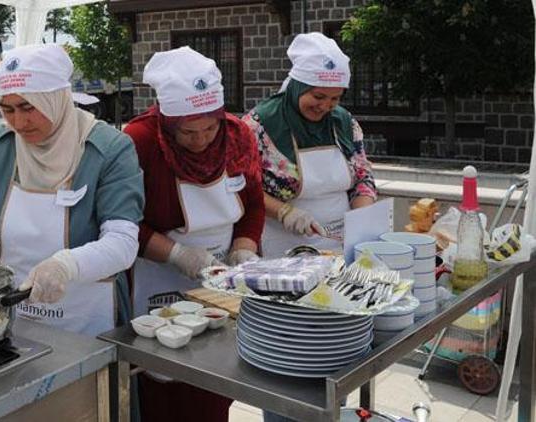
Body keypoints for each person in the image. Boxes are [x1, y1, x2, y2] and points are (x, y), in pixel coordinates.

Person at [0, 44, 144, 336]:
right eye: (7, 109)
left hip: (87, 321)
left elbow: (123, 242)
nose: (19, 122)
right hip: (12, 313)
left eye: (29, 107)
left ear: (55, 98)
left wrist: (65, 266)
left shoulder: (109, 150)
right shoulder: (3, 143)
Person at [124, 46, 264, 422]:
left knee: (218, 375)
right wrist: (179, 255)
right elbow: (122, 224)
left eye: (210, 127)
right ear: (167, 123)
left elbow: (253, 205)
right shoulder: (139, 141)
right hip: (158, 277)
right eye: (188, 132)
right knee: (167, 382)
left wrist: (244, 249)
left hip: (222, 282)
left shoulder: (238, 137)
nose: (201, 139)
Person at [242, 32, 377, 260]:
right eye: (318, 96)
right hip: (282, 245)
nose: (325, 106)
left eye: (335, 98)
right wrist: (285, 212)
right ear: (298, 86)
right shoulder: (258, 126)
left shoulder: (344, 122)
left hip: (339, 243)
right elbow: (243, 188)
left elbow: (363, 175)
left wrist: (364, 220)